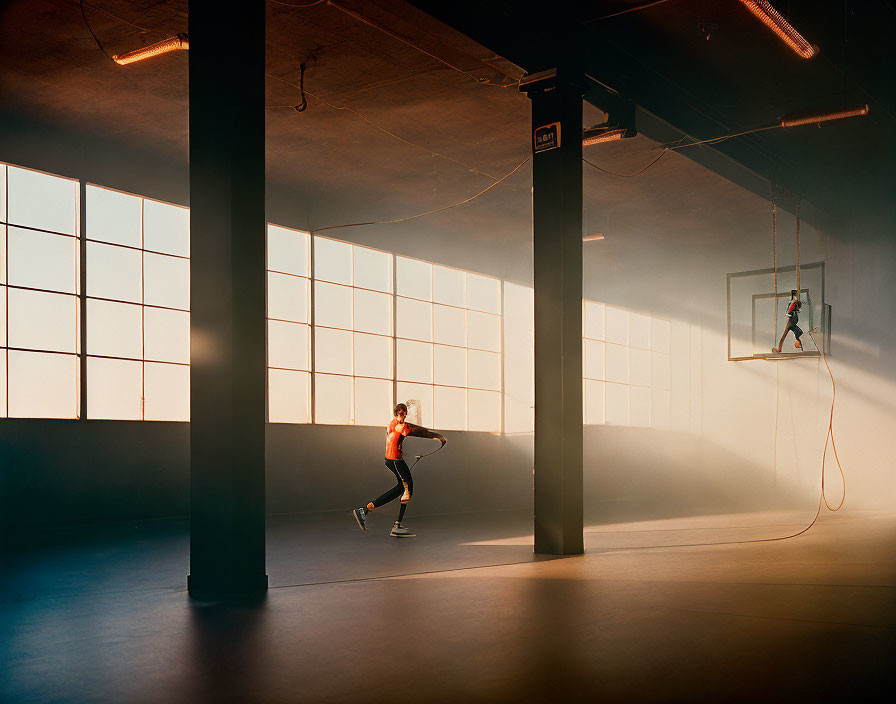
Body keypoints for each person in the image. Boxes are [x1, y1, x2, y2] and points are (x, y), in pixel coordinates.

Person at [353, 403, 446, 538]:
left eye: (405, 413)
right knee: (408, 490)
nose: (404, 416)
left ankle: (364, 511)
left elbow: (404, 434)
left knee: (399, 489)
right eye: (402, 413)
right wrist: (437, 436)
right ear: (396, 414)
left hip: (391, 460)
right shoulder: (400, 426)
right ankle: (397, 526)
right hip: (396, 462)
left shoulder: (391, 424)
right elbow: (419, 432)